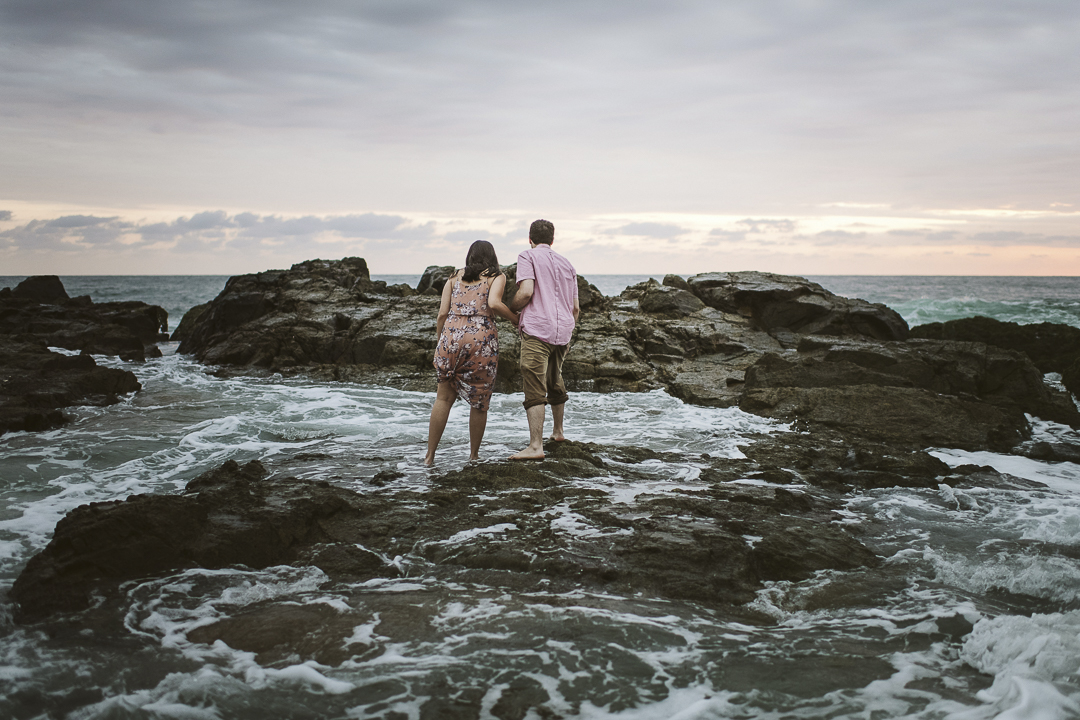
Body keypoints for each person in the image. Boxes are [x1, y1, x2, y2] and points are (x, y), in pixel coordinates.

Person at [425, 240, 519, 466]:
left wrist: (441, 343)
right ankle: (474, 455)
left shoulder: (453, 276)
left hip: (450, 337)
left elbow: (441, 314)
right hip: (480, 340)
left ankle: (429, 457)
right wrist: (516, 320)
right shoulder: (497, 276)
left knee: (443, 398)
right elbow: (494, 304)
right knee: (479, 400)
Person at [509, 219, 580, 461]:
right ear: (552, 240)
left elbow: (526, 292)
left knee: (534, 381)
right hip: (563, 331)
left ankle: (535, 446)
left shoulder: (527, 256)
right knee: (554, 377)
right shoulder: (567, 263)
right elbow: (575, 308)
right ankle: (558, 432)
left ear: (530, 239)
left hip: (538, 329)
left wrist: (513, 308)